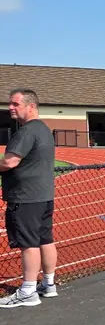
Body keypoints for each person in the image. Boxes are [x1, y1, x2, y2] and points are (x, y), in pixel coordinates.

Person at [0, 89, 58, 308]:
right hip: (43, 195)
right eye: (10, 104)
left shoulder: (26, 132)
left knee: (28, 243)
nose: (10, 107)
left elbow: (9, 162)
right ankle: (48, 284)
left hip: (26, 197)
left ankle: (27, 291)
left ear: (31, 106)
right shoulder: (43, 130)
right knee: (45, 239)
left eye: (15, 104)